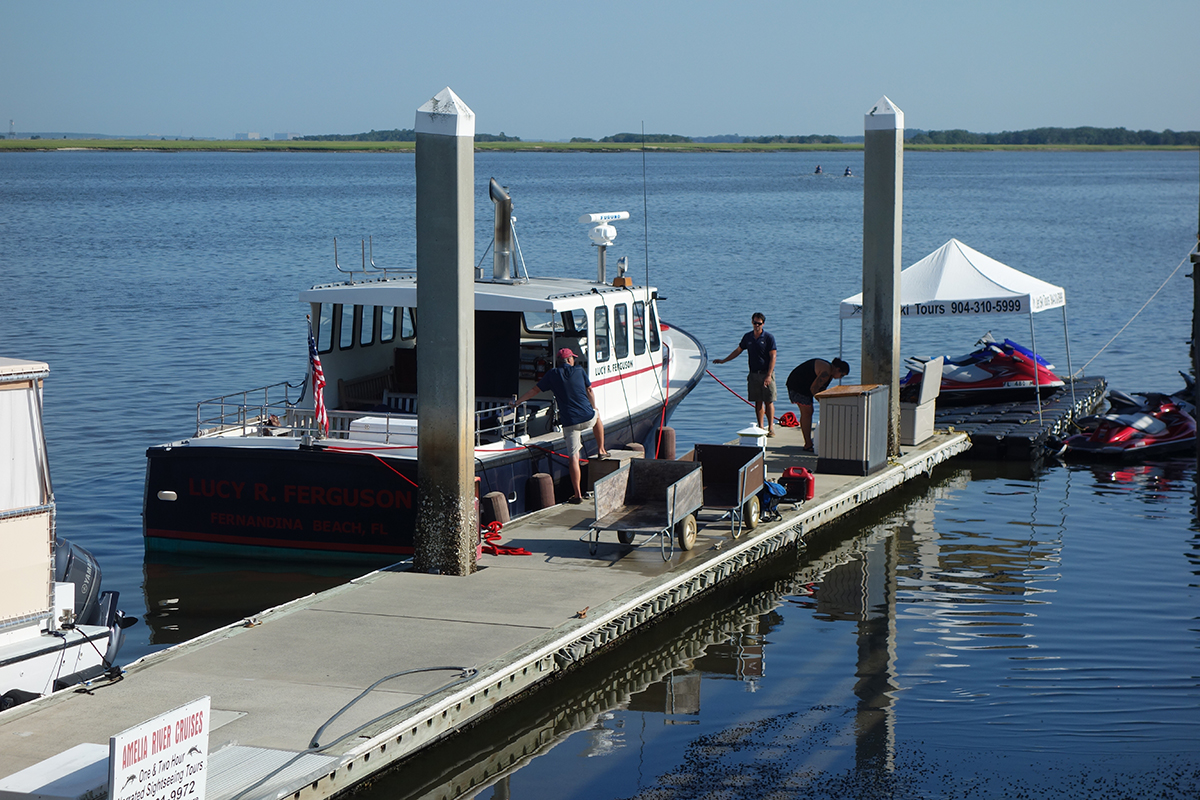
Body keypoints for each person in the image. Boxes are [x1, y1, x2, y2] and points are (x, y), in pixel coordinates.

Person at [512, 347, 607, 504]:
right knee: (597, 416)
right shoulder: (579, 370)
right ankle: (601, 450)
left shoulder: (552, 374)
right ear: (569, 360)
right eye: (573, 358)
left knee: (573, 457)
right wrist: (593, 406)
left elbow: (534, 391)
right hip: (587, 417)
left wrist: (517, 402)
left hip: (570, 423)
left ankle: (577, 495)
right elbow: (589, 390)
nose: (574, 360)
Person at [714, 312, 778, 436]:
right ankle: (760, 426)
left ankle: (771, 428)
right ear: (752, 322)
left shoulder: (768, 337)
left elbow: (773, 356)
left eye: (759, 323)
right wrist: (724, 360)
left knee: (769, 401)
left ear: (763, 324)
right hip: (753, 374)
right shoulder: (748, 337)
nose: (756, 325)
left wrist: (769, 375)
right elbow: (738, 350)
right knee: (757, 401)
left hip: (766, 373)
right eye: (755, 323)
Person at [785, 357, 850, 452]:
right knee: (807, 412)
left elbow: (821, 389)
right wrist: (823, 403)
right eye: (842, 375)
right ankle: (808, 444)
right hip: (798, 385)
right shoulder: (826, 372)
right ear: (838, 369)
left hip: (806, 386)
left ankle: (808, 442)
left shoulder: (830, 373)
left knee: (809, 411)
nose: (840, 378)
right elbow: (814, 389)